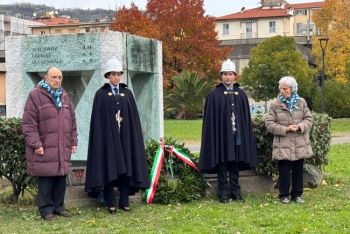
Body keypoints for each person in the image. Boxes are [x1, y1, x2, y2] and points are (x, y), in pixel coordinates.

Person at [85, 57, 150, 214]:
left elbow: (133, 118)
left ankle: (124, 201)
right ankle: (110, 202)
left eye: (119, 74)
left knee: (126, 167)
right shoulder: (100, 94)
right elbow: (98, 122)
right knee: (109, 167)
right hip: (108, 140)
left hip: (125, 138)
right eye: (113, 74)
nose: (116, 77)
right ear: (108, 75)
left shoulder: (127, 93)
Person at [22, 67, 78, 221]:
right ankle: (46, 210)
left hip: (62, 146)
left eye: (60, 77)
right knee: (46, 179)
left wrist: (73, 141)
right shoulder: (35, 95)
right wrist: (36, 144)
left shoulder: (64, 96)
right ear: (46, 77)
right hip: (45, 147)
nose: (57, 80)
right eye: (54, 77)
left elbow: (72, 121)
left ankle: (58, 207)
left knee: (60, 178)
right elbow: (28, 124)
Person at [199, 59, 257, 203]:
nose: (228, 77)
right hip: (221, 136)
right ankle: (223, 193)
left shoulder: (241, 94)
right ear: (221, 76)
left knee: (235, 164)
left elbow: (245, 117)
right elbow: (211, 119)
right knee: (223, 164)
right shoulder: (214, 94)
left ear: (235, 76)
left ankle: (236, 192)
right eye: (225, 74)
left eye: (230, 74)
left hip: (236, 136)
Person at [265, 76, 313, 204]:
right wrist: (286, 129)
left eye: (285, 88)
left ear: (292, 89)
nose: (282, 91)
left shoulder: (301, 102)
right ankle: (284, 195)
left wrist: (299, 126)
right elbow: (269, 124)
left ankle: (297, 195)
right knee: (284, 171)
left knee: (298, 169)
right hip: (283, 144)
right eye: (280, 88)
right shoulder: (275, 104)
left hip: (299, 143)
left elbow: (309, 119)